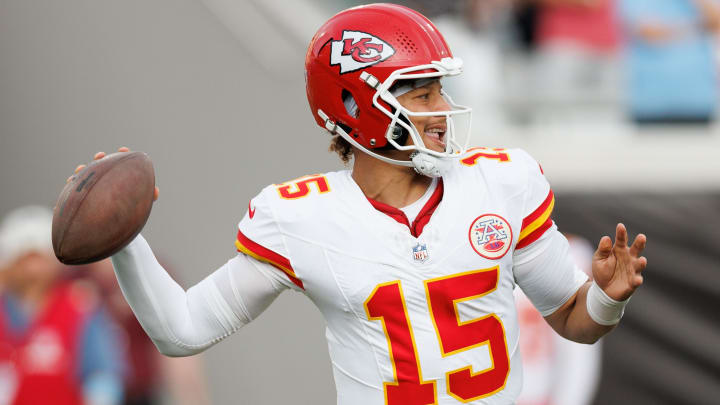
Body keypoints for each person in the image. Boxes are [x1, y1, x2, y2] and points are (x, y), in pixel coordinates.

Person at [70, 4, 647, 404]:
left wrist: (605, 298)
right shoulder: (301, 217)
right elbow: (181, 329)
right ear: (356, 107)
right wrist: (124, 238)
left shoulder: (502, 182)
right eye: (424, 93)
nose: (444, 108)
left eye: (440, 89)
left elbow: (574, 322)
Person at [0, 206, 126, 405]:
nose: (32, 270)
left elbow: (101, 375)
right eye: (23, 260)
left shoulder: (80, 307)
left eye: (38, 259)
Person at [618, 0, 720, 124]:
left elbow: (716, 22)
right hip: (650, 103)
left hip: (698, 101)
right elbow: (649, 33)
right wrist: (698, 26)